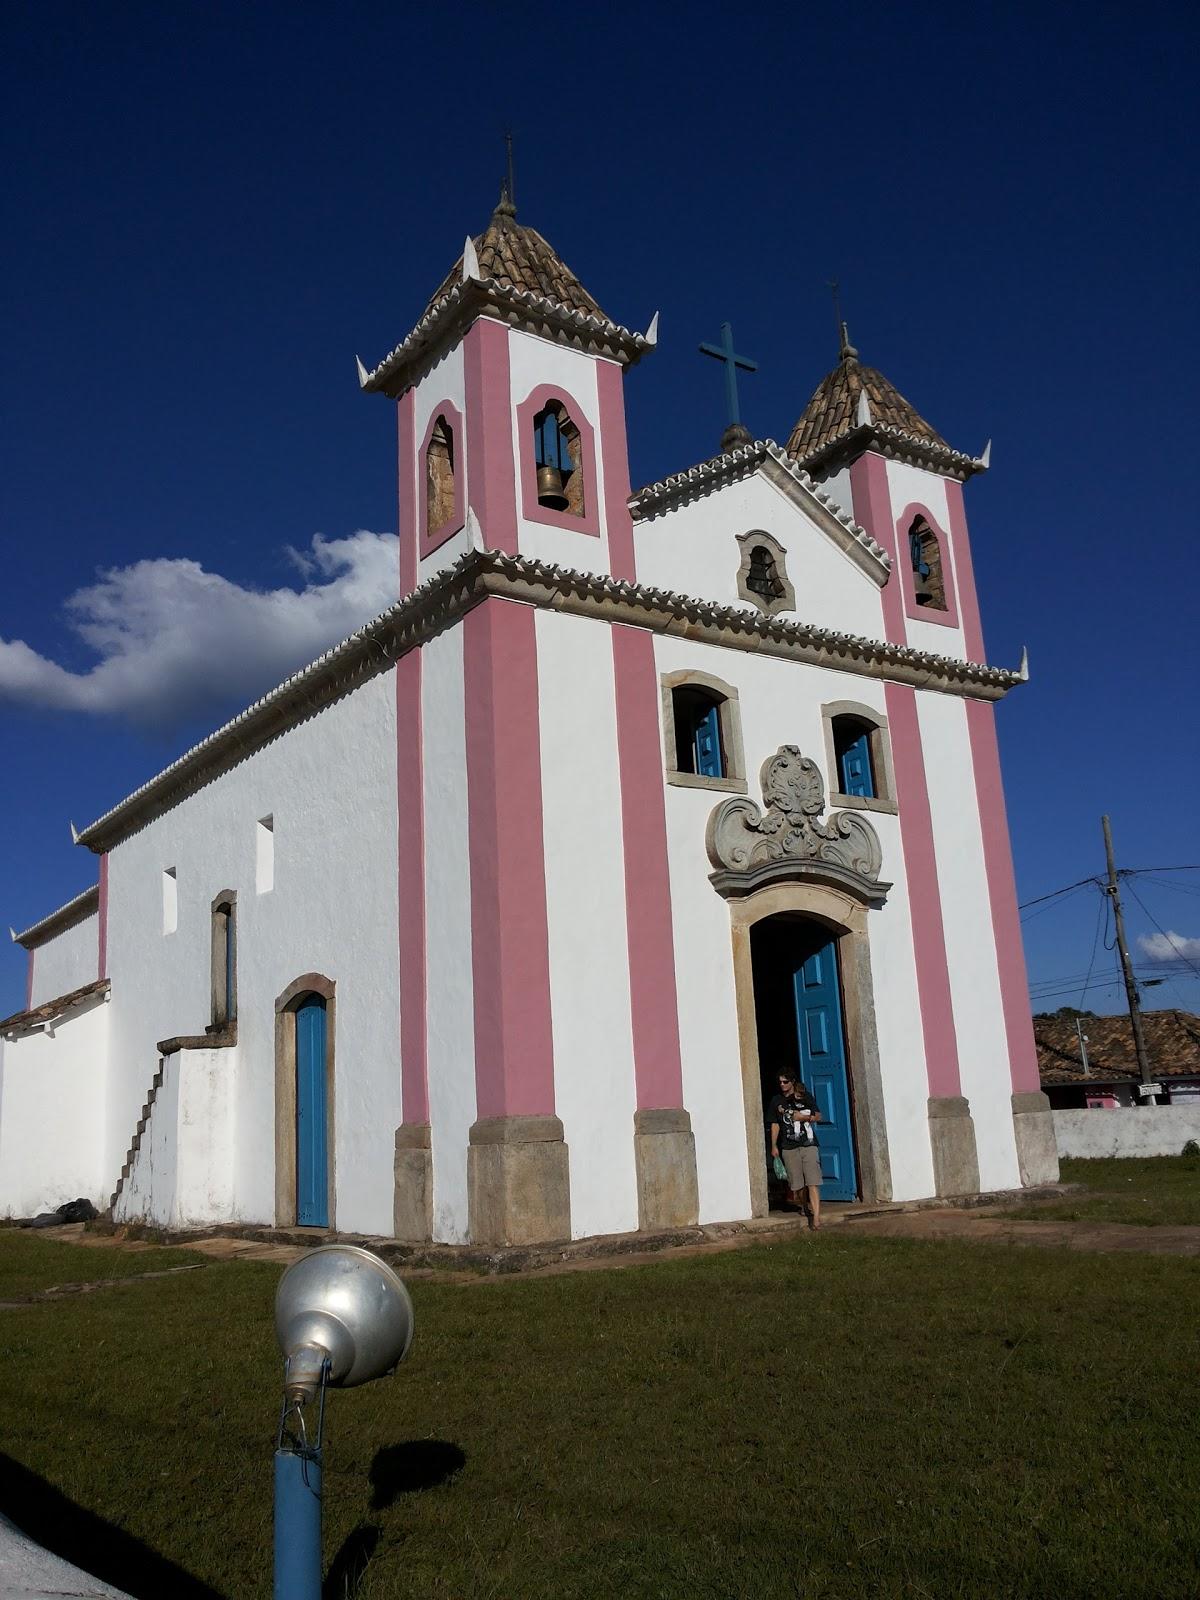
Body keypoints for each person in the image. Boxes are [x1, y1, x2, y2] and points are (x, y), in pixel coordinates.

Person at [767, 1073, 823, 1229]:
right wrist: (774, 1145)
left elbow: (818, 1115)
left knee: (813, 1181)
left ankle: (816, 1218)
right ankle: (805, 1206)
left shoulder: (805, 1097)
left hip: (808, 1144)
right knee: (796, 1184)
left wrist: (803, 1118)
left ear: (792, 1082)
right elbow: (775, 1124)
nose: (782, 1084)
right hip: (788, 1146)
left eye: (785, 1082)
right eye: (780, 1082)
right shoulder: (776, 1101)